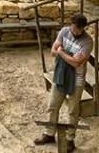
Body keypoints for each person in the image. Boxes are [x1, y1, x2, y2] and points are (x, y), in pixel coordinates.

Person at [34, 13, 94, 150]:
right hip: (60, 75)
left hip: (77, 80)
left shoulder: (88, 41)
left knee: (73, 111)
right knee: (53, 106)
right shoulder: (64, 31)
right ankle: (49, 134)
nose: (73, 32)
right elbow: (52, 51)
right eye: (72, 28)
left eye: (76, 30)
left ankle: (69, 139)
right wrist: (68, 55)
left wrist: (62, 52)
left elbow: (76, 63)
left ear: (83, 28)